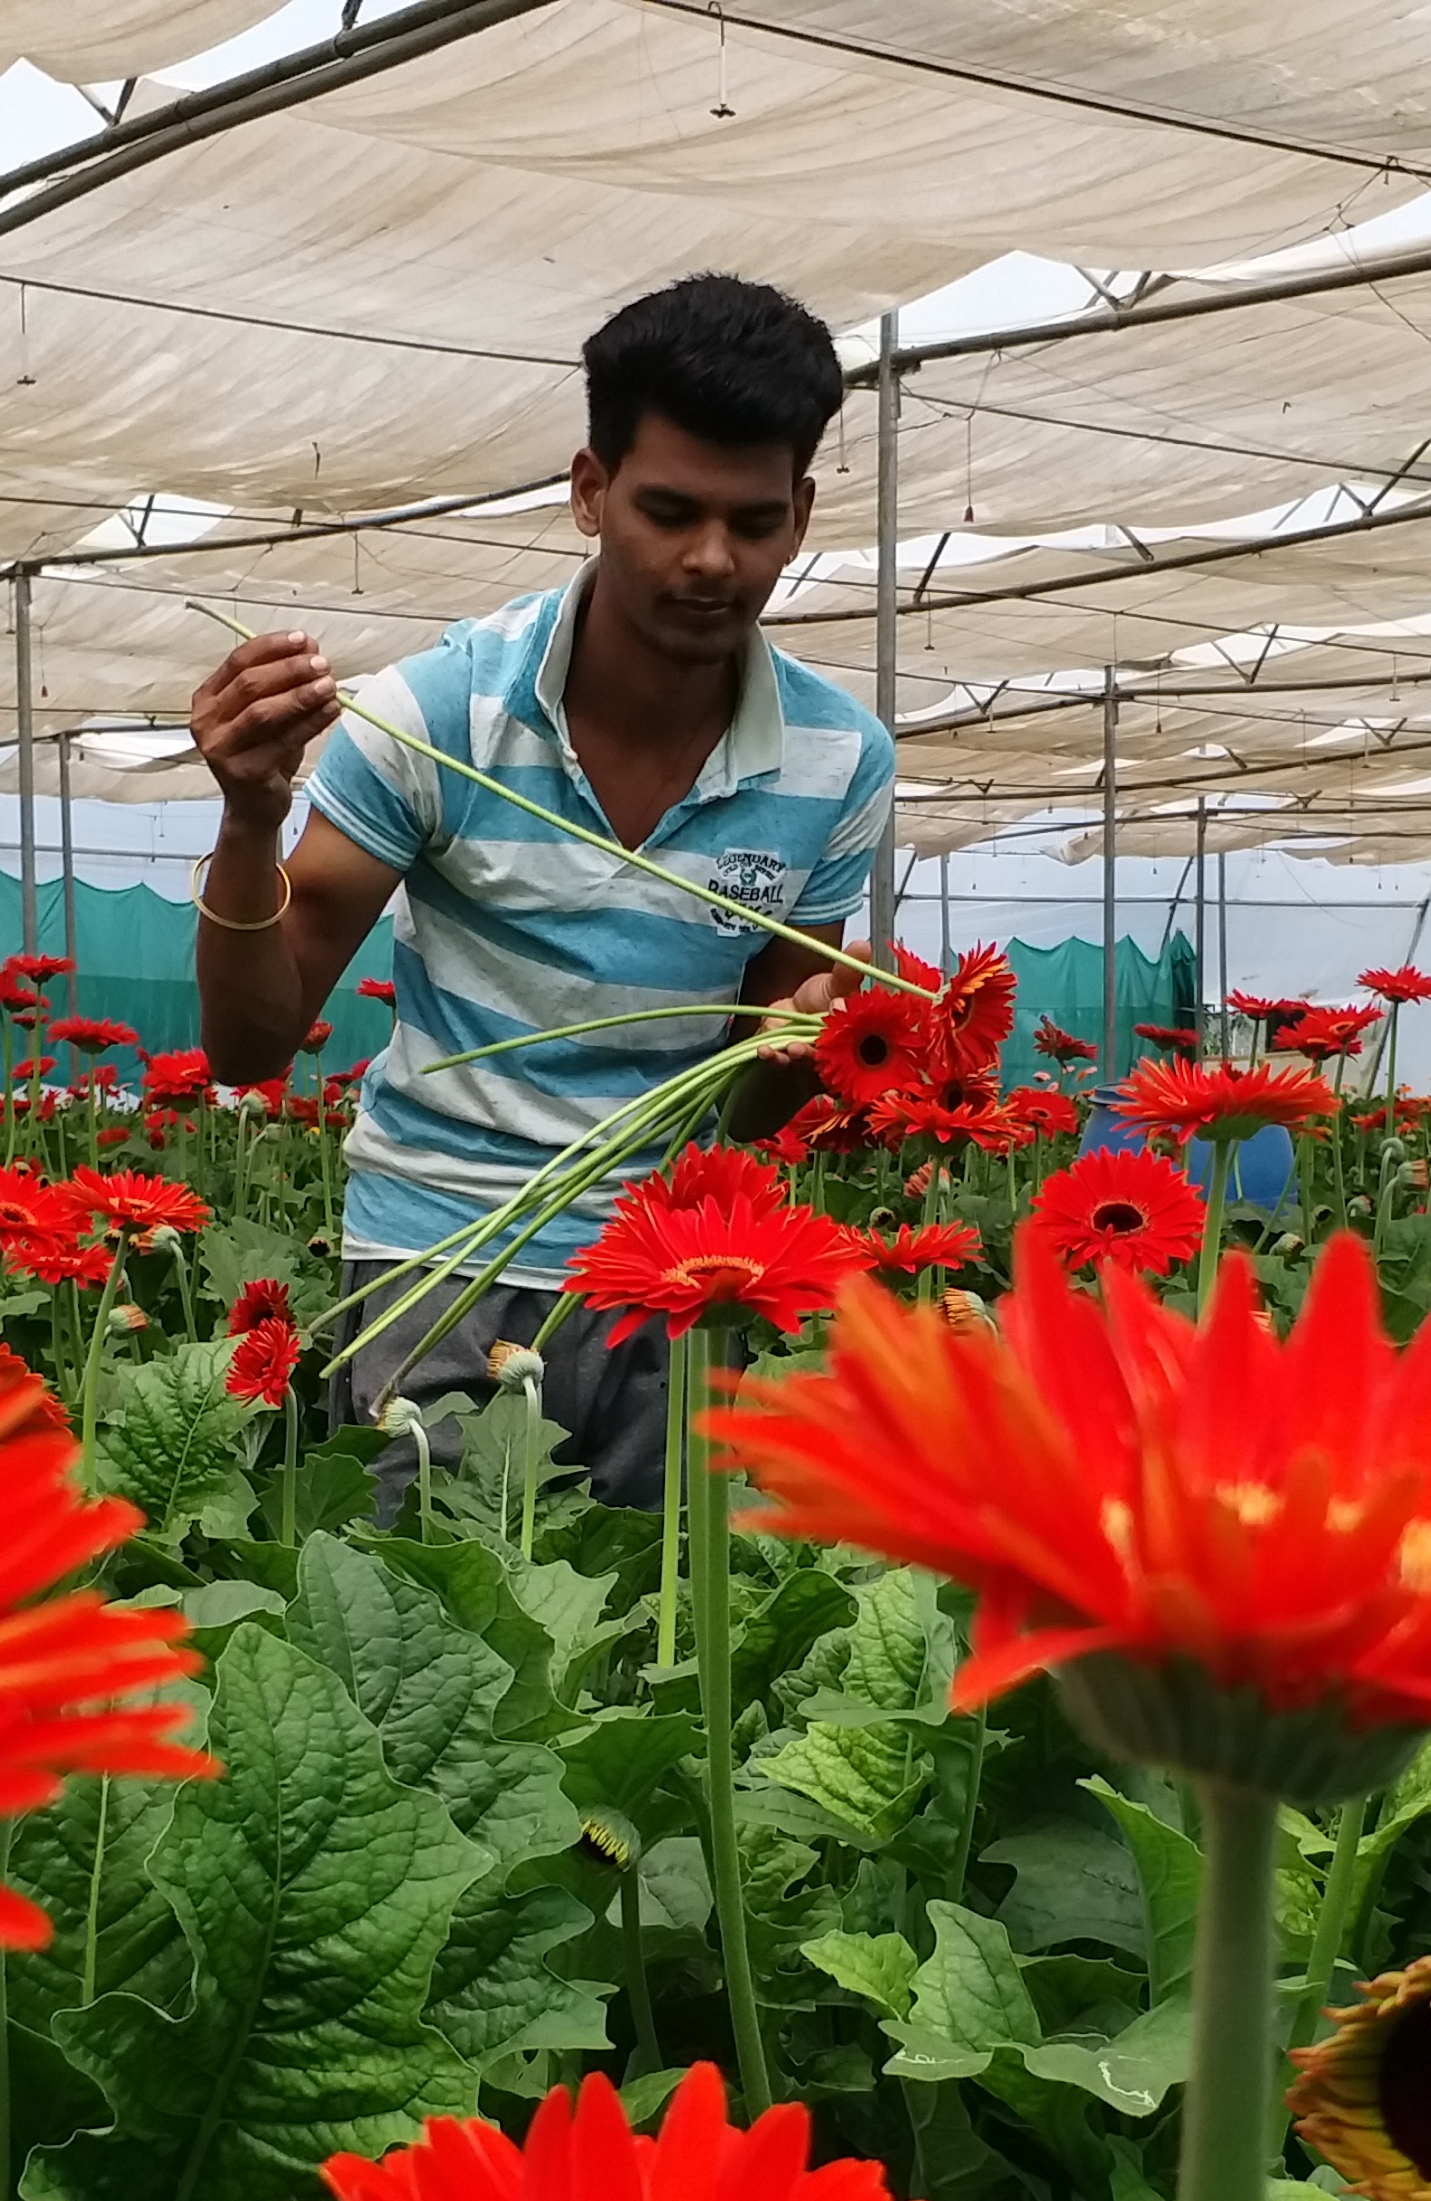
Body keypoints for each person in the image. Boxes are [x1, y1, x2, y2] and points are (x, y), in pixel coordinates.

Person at [185, 274, 897, 1510]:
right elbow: (251, 1044)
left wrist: (841, 1041)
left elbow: (749, 1106)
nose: (712, 560)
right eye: (668, 511)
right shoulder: (435, 716)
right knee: (431, 1653)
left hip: (672, 1281)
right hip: (435, 1266)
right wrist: (250, 819)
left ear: (802, 516)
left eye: (755, 521)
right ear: (588, 491)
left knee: (647, 1649)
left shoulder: (839, 761)